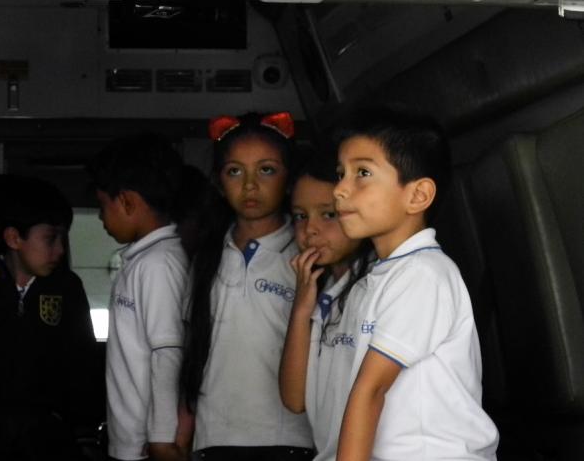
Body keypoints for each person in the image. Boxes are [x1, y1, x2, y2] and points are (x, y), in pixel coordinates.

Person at [330, 107, 498, 460]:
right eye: (340, 174)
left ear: (418, 195)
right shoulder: (378, 277)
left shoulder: (423, 274)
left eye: (362, 173)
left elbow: (371, 389)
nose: (340, 190)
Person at [180, 112, 316, 461]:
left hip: (289, 438)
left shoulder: (306, 255)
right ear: (218, 182)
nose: (250, 185)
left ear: (289, 180)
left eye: (266, 169)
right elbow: (193, 348)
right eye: (235, 171)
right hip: (214, 439)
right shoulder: (207, 258)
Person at [0, 176, 100, 461]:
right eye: (50, 238)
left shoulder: (67, 290)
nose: (60, 250)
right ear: (14, 238)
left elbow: (82, 362)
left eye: (63, 239)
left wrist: (83, 432)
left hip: (47, 434)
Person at [88, 133, 191, 461]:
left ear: (128, 202)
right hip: (134, 441)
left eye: (103, 205)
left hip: (148, 447)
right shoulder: (145, 260)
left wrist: (162, 438)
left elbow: (168, 351)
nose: (102, 218)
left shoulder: (158, 263)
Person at [278, 150, 375, 459]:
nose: (310, 230)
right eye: (300, 216)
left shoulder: (377, 287)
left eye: (329, 214)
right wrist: (302, 307)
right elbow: (294, 399)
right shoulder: (325, 293)